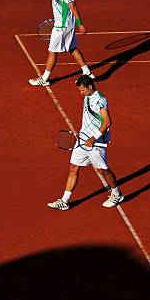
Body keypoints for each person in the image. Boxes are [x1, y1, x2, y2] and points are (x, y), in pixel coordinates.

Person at [47, 75, 124, 210]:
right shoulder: (87, 96)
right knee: (73, 167)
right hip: (82, 140)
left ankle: (117, 194)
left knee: (102, 170)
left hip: (96, 143)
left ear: (90, 87)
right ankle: (64, 201)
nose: (81, 93)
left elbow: (107, 122)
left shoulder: (100, 101)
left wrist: (93, 138)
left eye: (82, 90)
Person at [30, 0, 95, 87]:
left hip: (62, 27)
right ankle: (88, 72)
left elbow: (73, 6)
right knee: (72, 47)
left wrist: (80, 24)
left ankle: (44, 79)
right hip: (65, 24)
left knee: (52, 51)